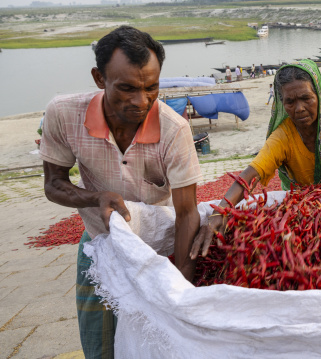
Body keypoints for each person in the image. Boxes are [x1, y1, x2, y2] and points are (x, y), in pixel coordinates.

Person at [39, 26, 202, 358]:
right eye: (126, 88)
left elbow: (187, 213)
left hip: (158, 248)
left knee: (159, 343)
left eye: (151, 88)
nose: (141, 102)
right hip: (100, 242)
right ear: (100, 78)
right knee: (99, 345)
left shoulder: (174, 130)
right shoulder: (64, 113)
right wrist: (94, 197)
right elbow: (53, 184)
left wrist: (182, 285)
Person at [191, 59, 321, 261]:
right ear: (282, 103)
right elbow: (250, 176)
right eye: (290, 102)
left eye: (306, 98)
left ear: (319, 95)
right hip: (302, 210)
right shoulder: (283, 136)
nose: (299, 109)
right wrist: (220, 212)